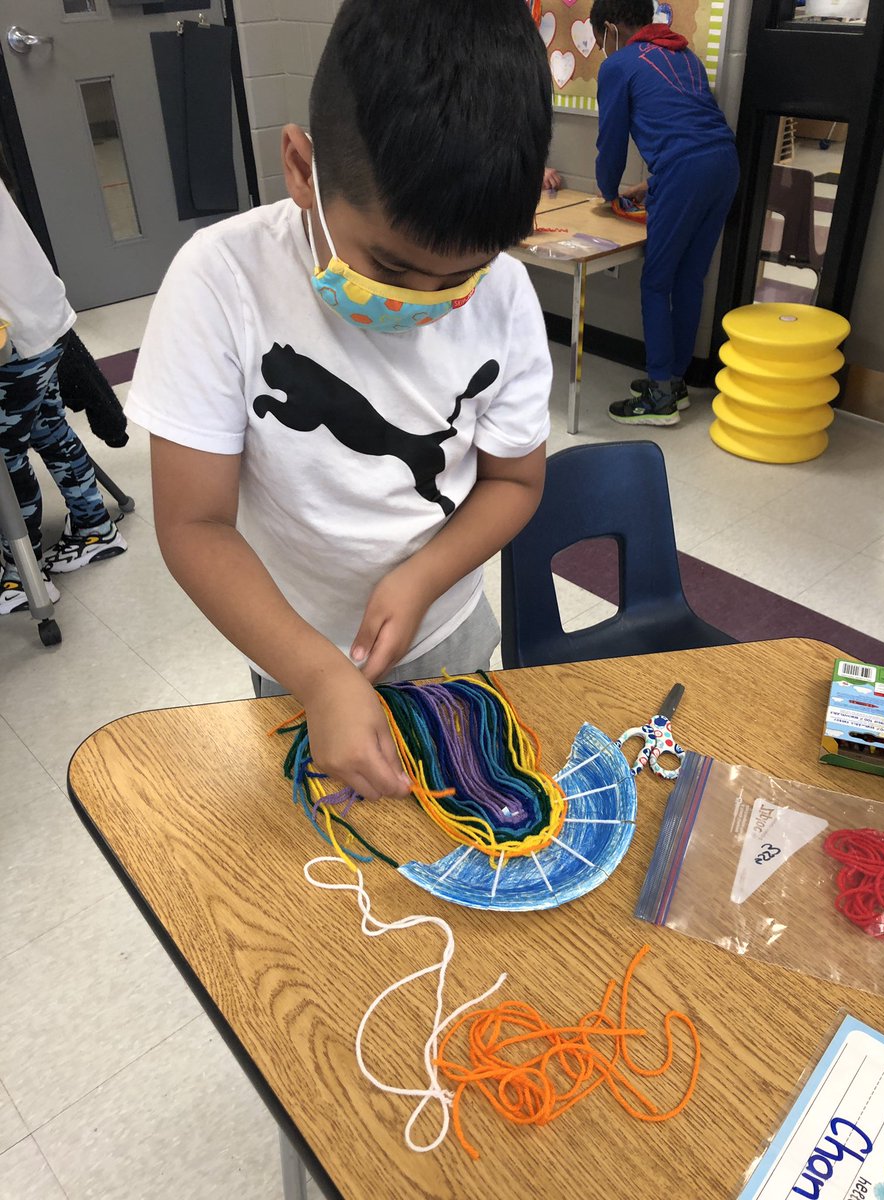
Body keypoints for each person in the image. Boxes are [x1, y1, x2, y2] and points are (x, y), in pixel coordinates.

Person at [126, 0, 553, 804]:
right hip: (290, 643)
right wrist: (318, 677)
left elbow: (515, 481)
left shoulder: (507, 297)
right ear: (300, 168)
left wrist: (424, 576)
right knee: (329, 840)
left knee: (460, 813)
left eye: (460, 279)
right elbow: (193, 524)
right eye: (392, 269)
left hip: (448, 626)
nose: (427, 303)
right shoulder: (221, 283)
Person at [590, 0, 739, 426]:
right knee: (689, 278)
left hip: (684, 171)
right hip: (723, 163)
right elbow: (691, 126)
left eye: (601, 40)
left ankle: (658, 398)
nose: (603, 49)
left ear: (611, 28)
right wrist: (652, 185)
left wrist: (608, 193)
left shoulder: (620, 64)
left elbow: (612, 141)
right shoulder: (684, 53)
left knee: (656, 282)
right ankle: (675, 381)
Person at [0, 175, 127, 615]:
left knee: (4, 457)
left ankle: (23, 576)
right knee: (49, 429)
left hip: (12, 342)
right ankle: (94, 528)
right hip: (44, 324)